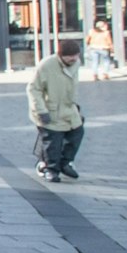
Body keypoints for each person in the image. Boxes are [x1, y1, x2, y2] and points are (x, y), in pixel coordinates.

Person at [29, 38, 85, 184]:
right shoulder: (47, 65)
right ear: (61, 55)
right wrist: (41, 110)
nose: (74, 59)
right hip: (50, 109)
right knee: (53, 141)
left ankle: (65, 163)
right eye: (70, 56)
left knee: (77, 134)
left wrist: (75, 106)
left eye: (76, 55)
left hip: (69, 109)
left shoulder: (76, 63)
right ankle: (51, 169)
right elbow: (34, 89)